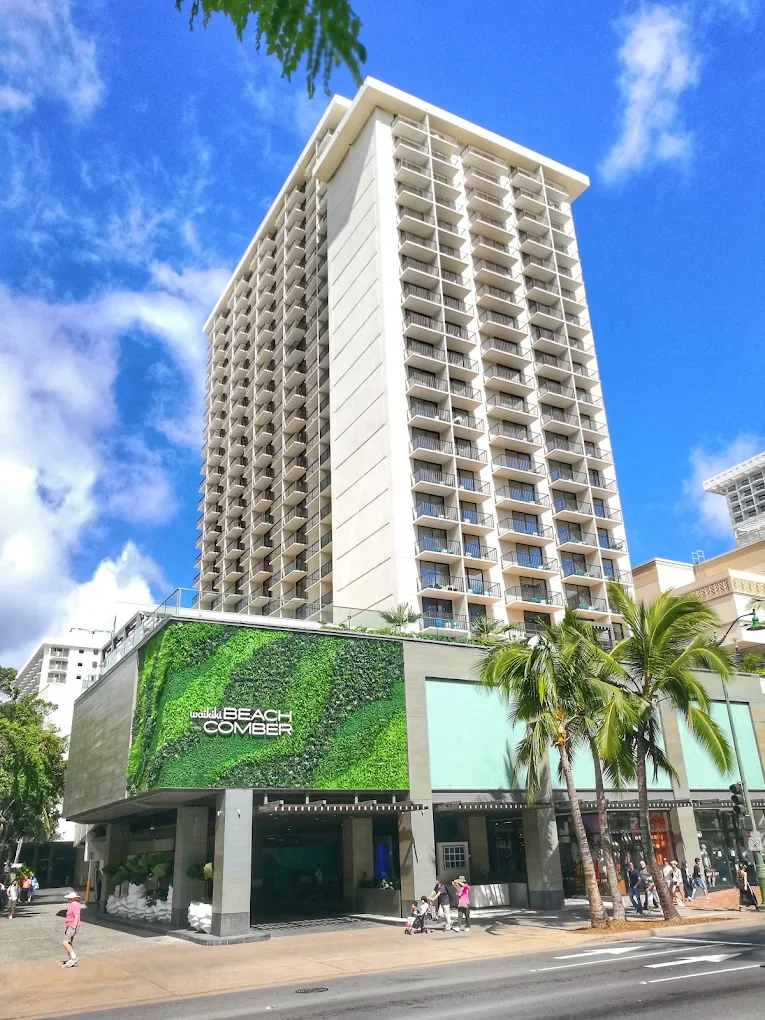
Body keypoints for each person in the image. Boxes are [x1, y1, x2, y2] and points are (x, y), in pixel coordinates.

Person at [62, 891, 81, 968]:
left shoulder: (74, 905)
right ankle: (70, 959)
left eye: (69, 898)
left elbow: (76, 917)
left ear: (73, 898)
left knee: (65, 942)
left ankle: (73, 957)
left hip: (72, 926)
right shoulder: (72, 904)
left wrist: (73, 928)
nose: (68, 899)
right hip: (70, 925)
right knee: (69, 943)